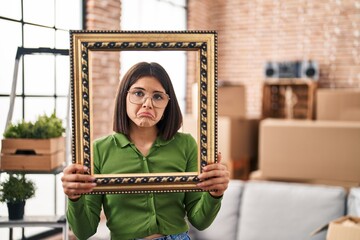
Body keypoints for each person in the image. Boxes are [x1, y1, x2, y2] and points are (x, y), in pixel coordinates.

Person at [61, 62, 229, 240]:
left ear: (167, 104)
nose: (147, 104)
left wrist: (214, 193)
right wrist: (74, 198)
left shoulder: (186, 145)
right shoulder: (99, 150)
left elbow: (200, 221)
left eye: (158, 97)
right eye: (138, 93)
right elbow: (84, 231)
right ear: (124, 96)